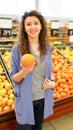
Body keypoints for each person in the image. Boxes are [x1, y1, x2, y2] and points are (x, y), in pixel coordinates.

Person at [10, 10, 55, 130]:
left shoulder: (47, 48)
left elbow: (50, 71)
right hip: (25, 100)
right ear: (24, 28)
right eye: (28, 24)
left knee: (38, 127)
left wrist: (53, 83)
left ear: (41, 26)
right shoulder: (16, 50)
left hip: (42, 98)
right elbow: (13, 78)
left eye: (36, 23)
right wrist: (23, 72)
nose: (32, 27)